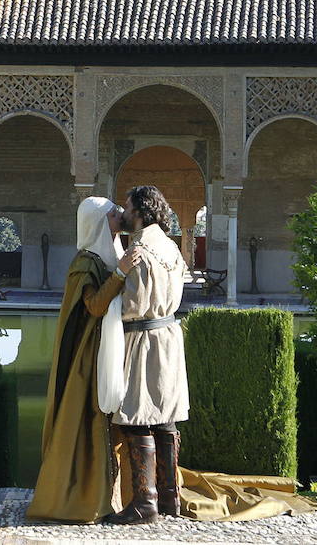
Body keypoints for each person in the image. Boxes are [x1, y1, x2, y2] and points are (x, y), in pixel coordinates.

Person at [26, 196, 144, 523]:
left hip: (109, 349)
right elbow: (93, 307)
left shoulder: (108, 257)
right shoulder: (85, 263)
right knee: (93, 419)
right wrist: (119, 274)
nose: (119, 219)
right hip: (88, 358)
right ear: (97, 224)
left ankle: (124, 493)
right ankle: (90, 496)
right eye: (113, 217)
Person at [105, 185, 190, 524]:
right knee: (164, 418)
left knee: (137, 417)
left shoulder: (139, 249)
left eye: (127, 208)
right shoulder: (169, 245)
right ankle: (170, 499)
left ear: (140, 211)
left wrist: (107, 302)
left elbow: (133, 305)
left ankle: (145, 503)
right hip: (168, 335)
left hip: (143, 338)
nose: (123, 214)